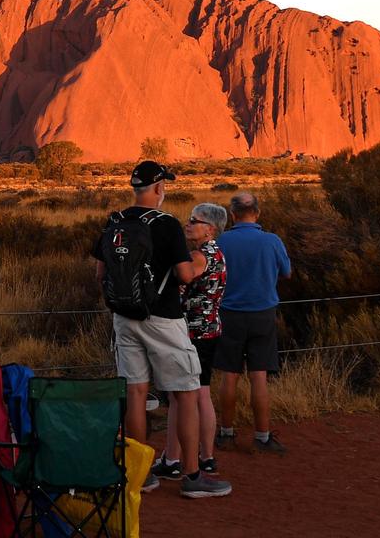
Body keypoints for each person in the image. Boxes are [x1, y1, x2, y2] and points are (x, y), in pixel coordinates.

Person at [92, 162, 231, 499]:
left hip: (124, 317)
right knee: (185, 393)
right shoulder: (167, 224)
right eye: (163, 186)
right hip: (164, 319)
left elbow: (100, 274)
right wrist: (199, 265)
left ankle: (139, 475)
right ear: (157, 188)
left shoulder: (116, 222)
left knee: (136, 394)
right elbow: (184, 275)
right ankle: (192, 475)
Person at [152, 203, 228, 481]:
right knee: (201, 395)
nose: (187, 224)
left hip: (192, 333)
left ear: (209, 229)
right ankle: (206, 457)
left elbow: (183, 275)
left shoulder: (199, 255)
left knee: (179, 397)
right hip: (210, 330)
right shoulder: (217, 253)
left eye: (194, 221)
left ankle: (173, 459)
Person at [213, 192, 292, 454]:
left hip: (230, 314)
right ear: (256, 213)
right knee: (259, 376)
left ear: (233, 215)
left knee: (229, 375)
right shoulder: (272, 241)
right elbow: (287, 272)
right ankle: (262, 437)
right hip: (263, 315)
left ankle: (225, 434)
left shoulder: (222, 240)